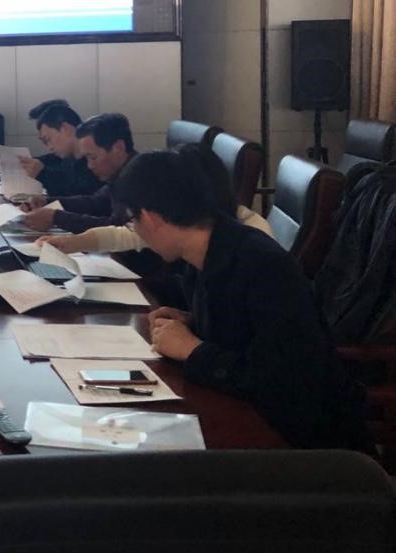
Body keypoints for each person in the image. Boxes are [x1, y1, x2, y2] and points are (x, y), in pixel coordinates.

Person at [110, 150, 371, 451]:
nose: (136, 231)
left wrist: (193, 350)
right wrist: (192, 322)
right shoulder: (207, 252)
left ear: (150, 217)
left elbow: (284, 381)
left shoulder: (262, 266)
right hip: (250, 420)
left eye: (132, 221)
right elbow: (245, 333)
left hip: (306, 445)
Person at [43, 143, 272, 254]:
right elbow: (125, 235)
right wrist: (72, 243)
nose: (134, 226)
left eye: (136, 218)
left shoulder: (250, 249)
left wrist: (190, 337)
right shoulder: (195, 226)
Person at [19, 112, 136, 233]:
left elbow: (119, 229)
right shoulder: (120, 174)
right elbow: (95, 203)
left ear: (118, 148)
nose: (89, 166)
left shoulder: (138, 177)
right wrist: (46, 202)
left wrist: (57, 218)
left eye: (93, 157)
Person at [19, 100, 102, 197]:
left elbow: (81, 195)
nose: (49, 147)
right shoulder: (69, 157)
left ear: (65, 129)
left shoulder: (94, 159)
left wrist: (42, 174)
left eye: (48, 139)